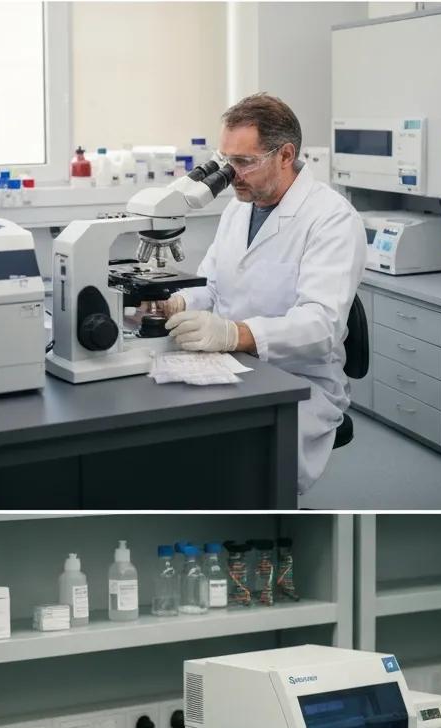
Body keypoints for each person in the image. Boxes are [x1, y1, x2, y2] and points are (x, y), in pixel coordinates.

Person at [153, 93, 365, 492]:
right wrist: (176, 302)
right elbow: (212, 283)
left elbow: (321, 325)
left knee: (229, 465)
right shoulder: (239, 207)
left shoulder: (332, 219)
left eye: (244, 161)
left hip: (298, 380)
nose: (231, 174)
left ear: (285, 155)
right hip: (231, 366)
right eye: (225, 160)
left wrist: (236, 334)